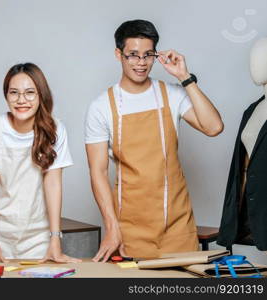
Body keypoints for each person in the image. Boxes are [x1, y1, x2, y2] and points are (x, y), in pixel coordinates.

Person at [85, 20, 224, 261]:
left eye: (147, 55)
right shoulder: (100, 107)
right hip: (129, 231)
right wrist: (112, 228)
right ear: (119, 55)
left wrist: (185, 77)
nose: (141, 63)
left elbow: (214, 127)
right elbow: (97, 172)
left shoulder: (172, 93)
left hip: (177, 228)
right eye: (133, 55)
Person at [0, 63, 80, 263]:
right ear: (6, 95)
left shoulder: (55, 130)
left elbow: (53, 184)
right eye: (14, 93)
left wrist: (55, 240)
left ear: (41, 96)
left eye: (29, 93)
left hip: (37, 236)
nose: (21, 100)